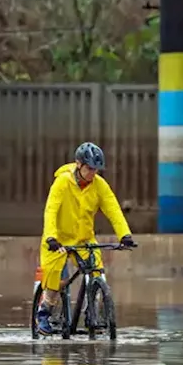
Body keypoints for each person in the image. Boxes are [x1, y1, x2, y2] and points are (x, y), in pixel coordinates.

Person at [36, 142, 136, 335]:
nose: (93, 174)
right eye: (89, 168)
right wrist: (51, 237)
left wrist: (125, 235)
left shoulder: (99, 185)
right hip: (58, 240)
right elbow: (51, 210)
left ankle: (93, 313)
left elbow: (113, 209)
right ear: (78, 164)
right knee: (58, 279)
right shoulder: (62, 183)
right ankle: (44, 313)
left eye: (96, 170)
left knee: (97, 273)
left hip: (84, 240)